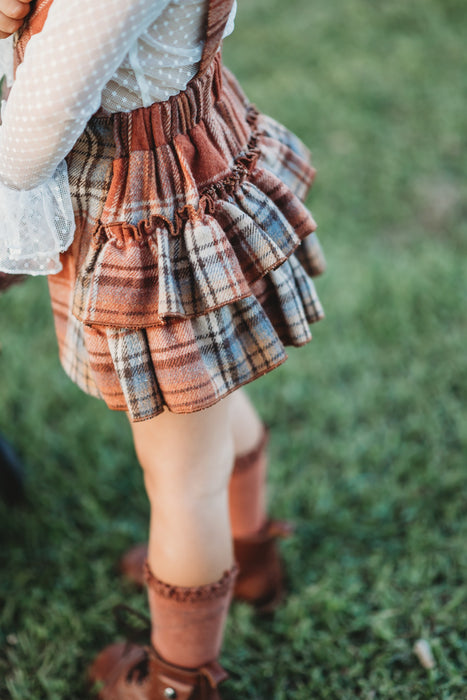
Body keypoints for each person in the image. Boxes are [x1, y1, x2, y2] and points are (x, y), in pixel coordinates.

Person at [0, 1, 326, 697]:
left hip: (146, 208)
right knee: (205, 391)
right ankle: (251, 554)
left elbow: (30, 135)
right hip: (179, 165)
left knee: (182, 479)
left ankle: (177, 682)